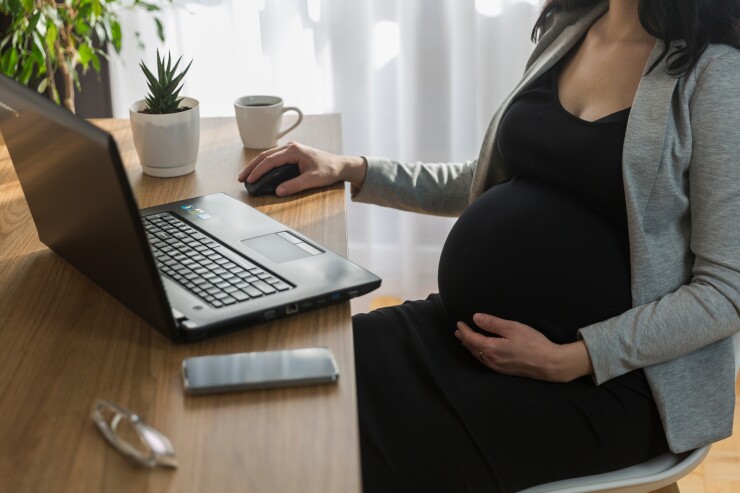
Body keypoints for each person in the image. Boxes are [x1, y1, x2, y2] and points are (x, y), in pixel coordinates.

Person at [239, 0, 740, 490]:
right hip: (457, 334)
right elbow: (489, 179)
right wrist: (356, 169)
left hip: (603, 384)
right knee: (292, 385)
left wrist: (574, 357)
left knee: (346, 457)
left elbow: (725, 291)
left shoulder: (714, 72)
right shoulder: (570, 26)